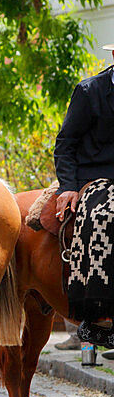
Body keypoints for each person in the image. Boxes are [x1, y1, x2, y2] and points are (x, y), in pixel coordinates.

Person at [54, 41, 114, 356]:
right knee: (102, 217)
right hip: (99, 177)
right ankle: (99, 314)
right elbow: (66, 142)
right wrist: (68, 185)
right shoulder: (90, 91)